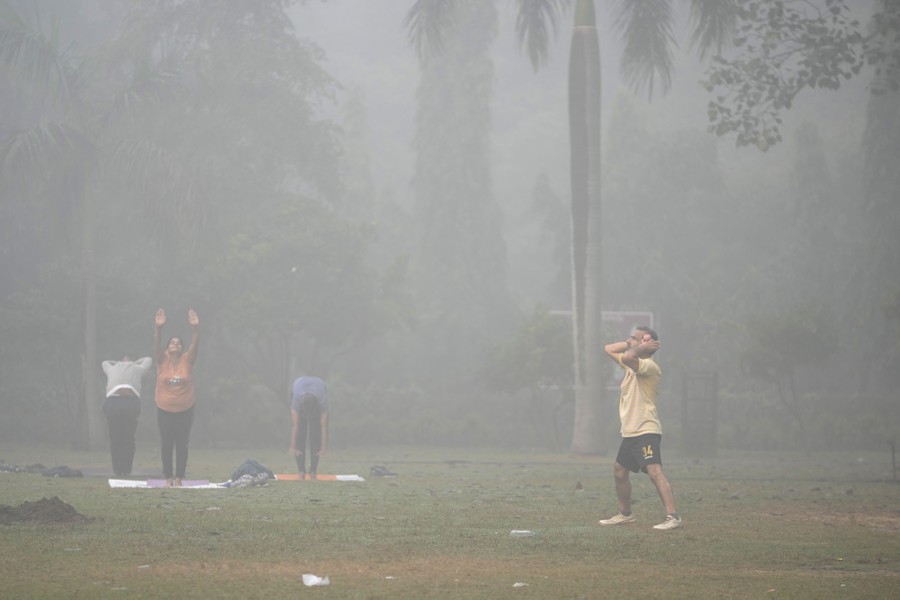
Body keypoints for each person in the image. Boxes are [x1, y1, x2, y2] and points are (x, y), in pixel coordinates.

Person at [599, 326, 682, 530]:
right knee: (619, 471)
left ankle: (673, 517)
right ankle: (625, 514)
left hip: (646, 429)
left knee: (654, 472)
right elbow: (608, 348)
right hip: (631, 432)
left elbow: (628, 358)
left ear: (646, 345)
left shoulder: (649, 366)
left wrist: (639, 347)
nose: (629, 341)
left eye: (634, 339)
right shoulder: (631, 364)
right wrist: (632, 342)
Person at [153, 308, 199, 487]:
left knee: (182, 443)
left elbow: (195, 345)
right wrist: (158, 329)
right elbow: (156, 346)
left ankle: (179, 477)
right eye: (172, 343)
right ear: (168, 347)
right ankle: (168, 478)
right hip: (164, 409)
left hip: (186, 409)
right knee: (166, 443)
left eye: (179, 343)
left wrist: (195, 329)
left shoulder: (187, 360)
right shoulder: (161, 360)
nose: (176, 345)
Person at [101, 355, 153, 477]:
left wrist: (134, 362)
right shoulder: (112, 369)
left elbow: (148, 360)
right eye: (123, 359)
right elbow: (105, 362)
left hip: (131, 402)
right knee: (115, 437)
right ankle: (117, 469)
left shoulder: (137, 368)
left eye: (128, 359)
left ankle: (126, 469)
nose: (125, 361)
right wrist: (118, 362)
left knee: (128, 438)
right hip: (113, 401)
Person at [289, 376, 329, 479]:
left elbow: (323, 426)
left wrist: (323, 447)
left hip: (318, 391)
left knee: (315, 436)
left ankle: (313, 471)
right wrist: (293, 445)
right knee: (300, 436)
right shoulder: (296, 401)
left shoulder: (322, 400)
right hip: (298, 387)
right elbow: (295, 425)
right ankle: (301, 471)